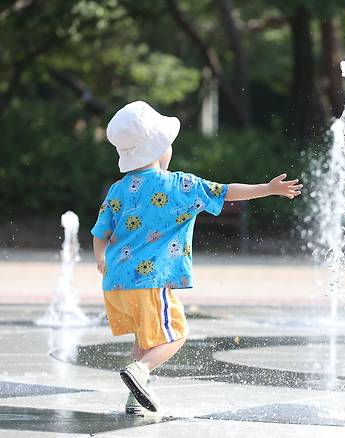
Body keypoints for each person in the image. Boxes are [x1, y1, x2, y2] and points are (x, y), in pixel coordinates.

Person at [91, 101, 302, 415]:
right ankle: (140, 372)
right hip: (151, 280)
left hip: (115, 283)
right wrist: (268, 189)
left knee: (145, 337)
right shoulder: (179, 185)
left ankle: (135, 398)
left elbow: (100, 232)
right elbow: (226, 191)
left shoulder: (118, 189)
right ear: (158, 151)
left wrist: (100, 259)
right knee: (176, 334)